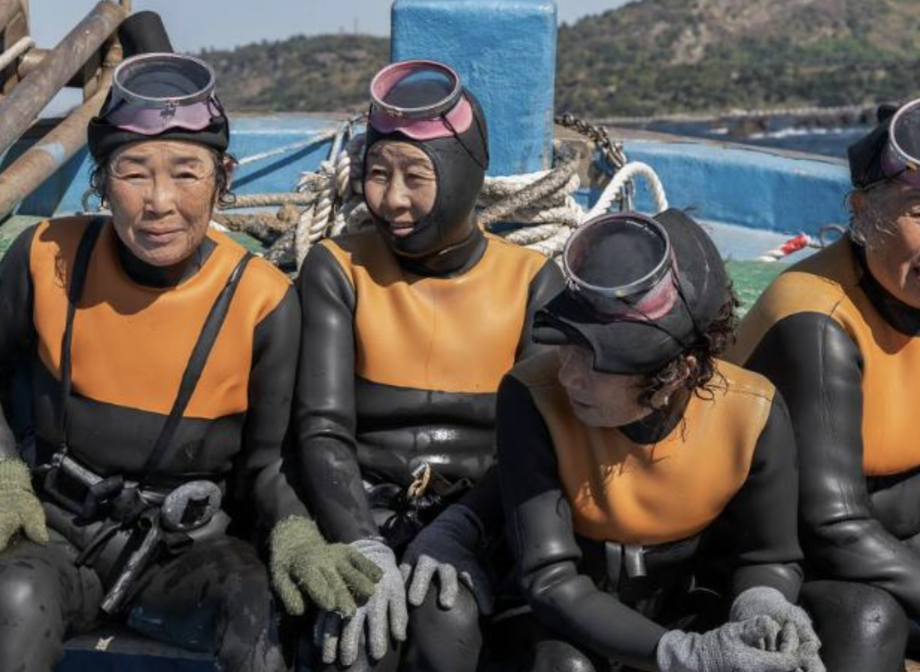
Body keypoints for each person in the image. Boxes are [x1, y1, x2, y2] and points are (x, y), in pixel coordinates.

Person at [0, 15, 380, 672]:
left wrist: (295, 533)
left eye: (186, 172)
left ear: (222, 180)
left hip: (185, 552)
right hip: (50, 529)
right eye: (134, 172)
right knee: (15, 595)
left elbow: (266, 464)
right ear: (100, 180)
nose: (159, 201)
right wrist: (3, 474)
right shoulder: (42, 257)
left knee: (264, 621)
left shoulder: (262, 301)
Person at [729, 96, 920, 672]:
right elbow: (833, 526)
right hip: (810, 568)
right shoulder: (816, 322)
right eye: (919, 212)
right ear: (866, 215)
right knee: (871, 624)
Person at [294, 59, 563, 671]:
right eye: (377, 174)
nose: (392, 200)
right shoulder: (338, 269)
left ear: (466, 172)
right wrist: (361, 542)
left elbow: (531, 446)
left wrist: (462, 528)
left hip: (482, 517)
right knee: (355, 639)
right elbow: (322, 428)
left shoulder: (530, 282)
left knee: (449, 618)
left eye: (415, 176)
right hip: (363, 510)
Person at [494, 209, 825, 672]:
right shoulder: (530, 398)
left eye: (596, 361)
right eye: (565, 342)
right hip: (563, 622)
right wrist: (682, 655)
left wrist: (765, 609)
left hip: (682, 602)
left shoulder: (752, 410)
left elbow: (768, 555)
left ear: (677, 373)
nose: (567, 374)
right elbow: (550, 579)